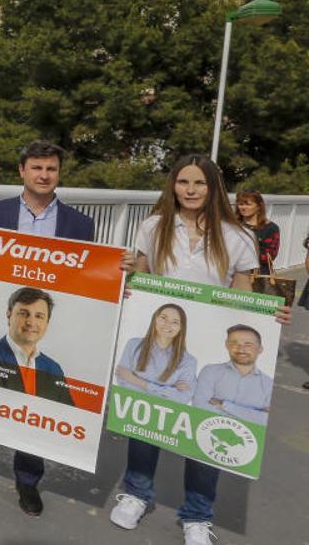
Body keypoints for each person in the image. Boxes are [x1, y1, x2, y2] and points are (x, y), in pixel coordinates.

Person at [108, 154, 278, 545]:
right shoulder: (153, 226)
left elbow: (244, 294)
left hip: (207, 341)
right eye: (183, 182)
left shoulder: (236, 236)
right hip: (162, 338)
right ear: (173, 186)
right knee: (146, 421)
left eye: (199, 183)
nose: (191, 190)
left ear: (213, 187)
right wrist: (129, 275)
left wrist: (267, 321)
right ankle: (136, 493)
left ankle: (197, 515)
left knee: (206, 430)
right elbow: (145, 278)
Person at [0, 140, 95, 516]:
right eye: (37, 168)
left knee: (38, 405)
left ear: (59, 174)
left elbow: (87, 280)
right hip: (6, 318)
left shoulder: (80, 224)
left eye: (51, 169)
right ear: (22, 171)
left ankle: (28, 480)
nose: (44, 175)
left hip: (39, 324)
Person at [0, 287, 74, 406]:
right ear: (9, 316)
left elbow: (66, 414)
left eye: (39, 316)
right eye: (23, 313)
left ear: (47, 323)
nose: (31, 322)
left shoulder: (54, 369)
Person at [112, 304, 197, 407]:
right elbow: (122, 380)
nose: (167, 324)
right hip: (127, 407)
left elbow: (182, 399)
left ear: (181, 328)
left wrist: (137, 381)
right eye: (163, 318)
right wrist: (169, 389)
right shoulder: (133, 345)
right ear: (155, 319)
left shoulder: (188, 361)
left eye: (175, 322)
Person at [192, 325, 272, 426]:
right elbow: (199, 407)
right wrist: (253, 415)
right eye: (234, 343)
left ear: (260, 349)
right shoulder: (210, 371)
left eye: (248, 344)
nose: (241, 349)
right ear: (227, 345)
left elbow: (266, 421)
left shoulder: (269, 385)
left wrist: (225, 405)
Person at [235, 191, 279, 275]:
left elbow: (270, 256)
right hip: (232, 274)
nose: (243, 207)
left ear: (259, 206)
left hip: (258, 275)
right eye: (240, 204)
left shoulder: (270, 228)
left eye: (248, 204)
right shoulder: (232, 225)